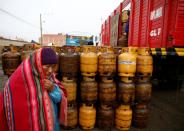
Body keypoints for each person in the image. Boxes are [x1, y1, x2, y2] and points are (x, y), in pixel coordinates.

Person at [0, 47, 67, 131]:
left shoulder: (51, 78)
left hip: (52, 125)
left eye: (53, 66)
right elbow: (11, 103)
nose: (50, 70)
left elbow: (59, 99)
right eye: (47, 66)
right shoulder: (21, 79)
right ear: (38, 64)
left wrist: (52, 89)